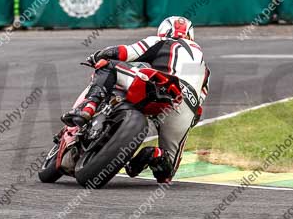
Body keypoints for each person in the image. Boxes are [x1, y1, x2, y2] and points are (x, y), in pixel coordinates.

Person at [62, 16, 210, 183]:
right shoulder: (204, 67)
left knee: (108, 65)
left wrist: (96, 56)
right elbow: (200, 103)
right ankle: (154, 155)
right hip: (186, 107)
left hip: (158, 84)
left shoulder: (162, 41)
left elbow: (124, 52)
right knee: (167, 173)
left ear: (164, 30)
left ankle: (88, 107)